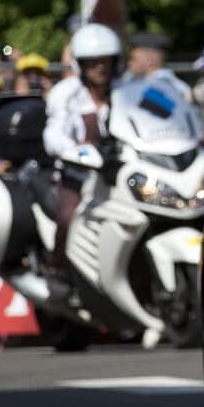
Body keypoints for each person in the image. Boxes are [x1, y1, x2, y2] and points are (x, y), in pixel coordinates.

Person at [42, 24, 124, 303]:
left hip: (120, 176)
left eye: (106, 61)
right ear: (81, 64)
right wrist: (71, 150)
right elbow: (53, 133)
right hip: (79, 176)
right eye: (93, 63)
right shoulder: (66, 93)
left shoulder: (126, 92)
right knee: (69, 215)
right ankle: (58, 270)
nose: (100, 68)